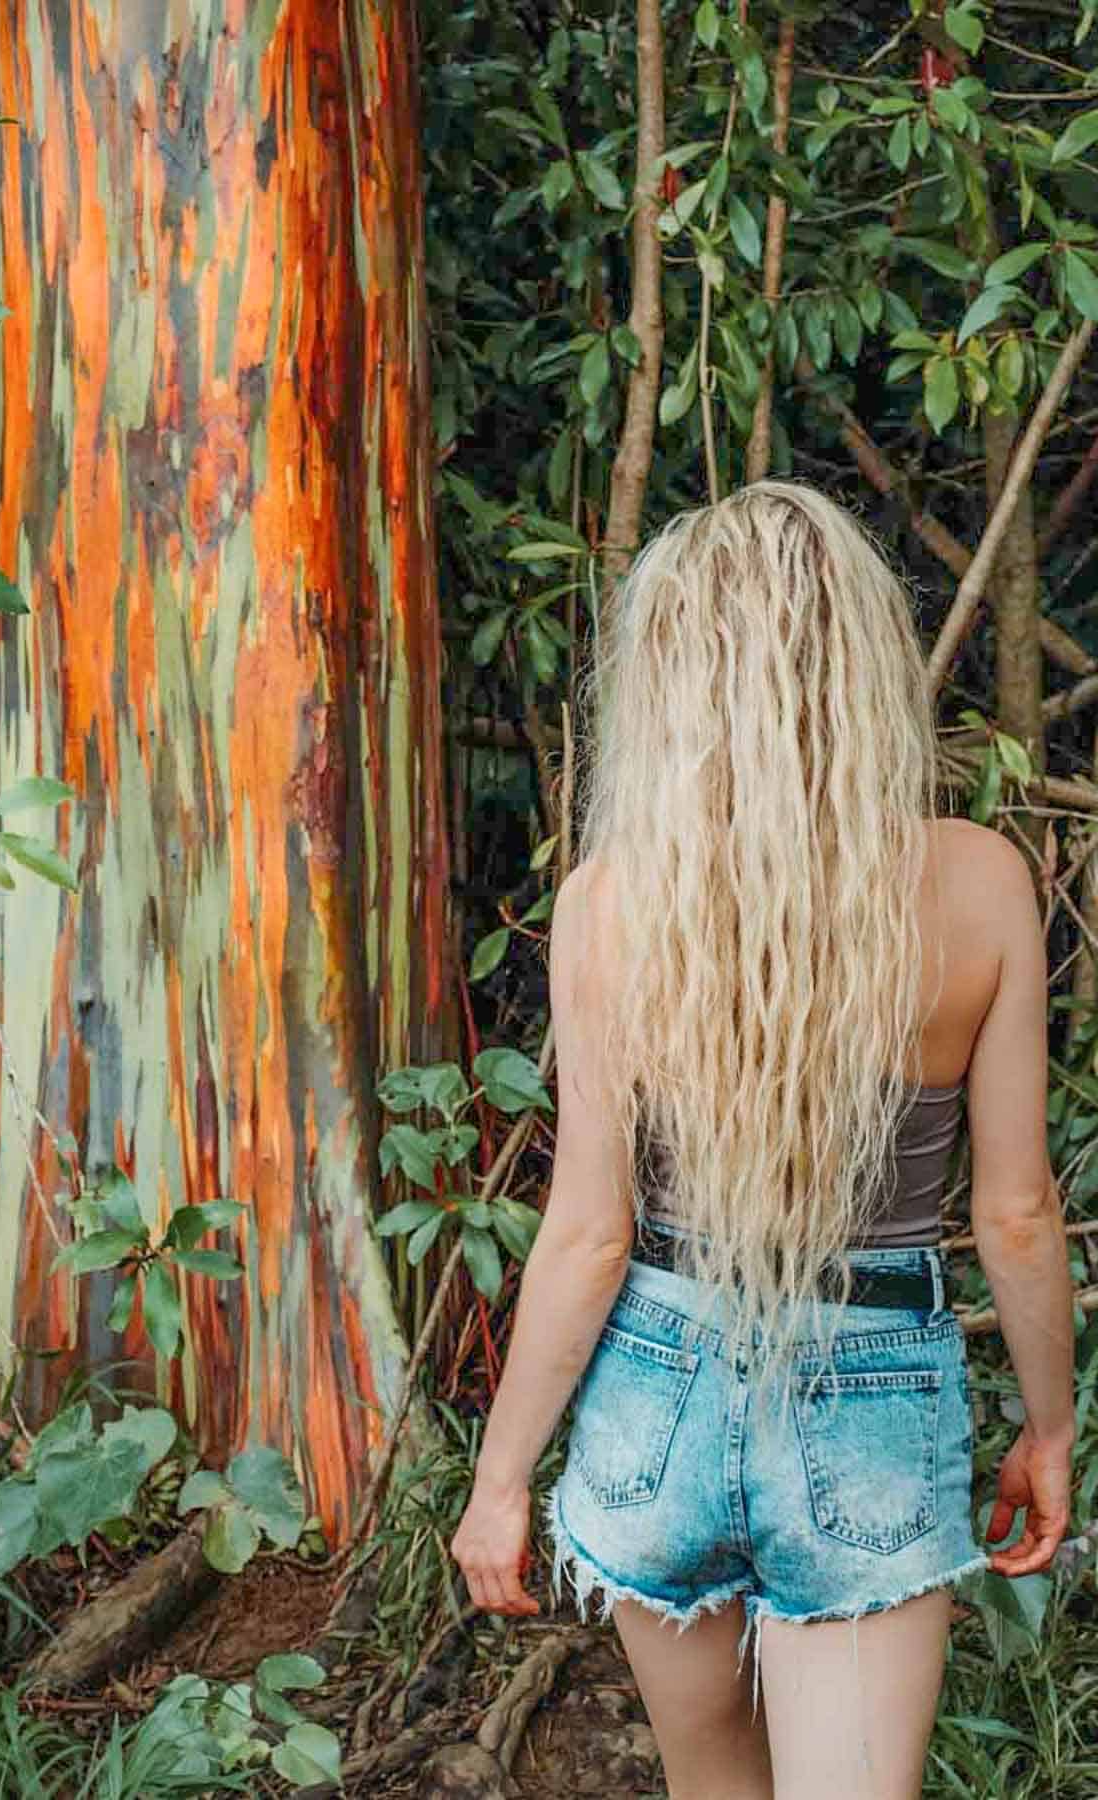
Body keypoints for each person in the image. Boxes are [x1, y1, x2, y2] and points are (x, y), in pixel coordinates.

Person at [449, 482, 1075, 1800]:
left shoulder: (612, 905)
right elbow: (1017, 1216)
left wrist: (501, 1479)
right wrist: (1050, 1429)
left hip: (653, 1400)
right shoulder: (976, 885)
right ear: (862, 662)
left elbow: (591, 1229)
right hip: (868, 1403)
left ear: (671, 677)